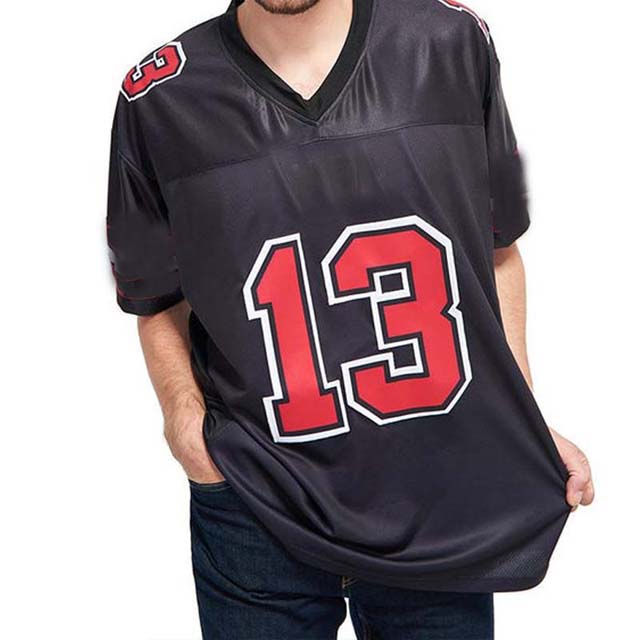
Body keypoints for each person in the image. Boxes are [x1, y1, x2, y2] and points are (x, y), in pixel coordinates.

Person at [107, 1, 594, 637]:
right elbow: (155, 295)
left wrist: (522, 420)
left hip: (438, 492)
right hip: (257, 497)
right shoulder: (160, 94)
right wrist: (185, 423)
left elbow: (497, 249)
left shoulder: (447, 41)